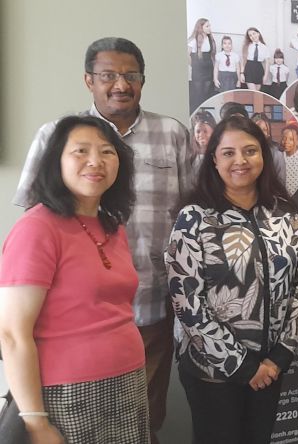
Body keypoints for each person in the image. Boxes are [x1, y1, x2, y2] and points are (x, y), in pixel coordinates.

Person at [12, 37, 194, 444]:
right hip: (71, 330)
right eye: (108, 75)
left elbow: (193, 214)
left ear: (143, 82)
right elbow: (32, 220)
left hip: (152, 308)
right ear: (88, 80)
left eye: (130, 76)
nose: (120, 84)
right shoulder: (57, 136)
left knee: (143, 422)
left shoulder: (173, 135)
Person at [0, 115, 147, 444]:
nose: (95, 161)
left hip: (129, 382)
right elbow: (11, 333)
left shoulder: (112, 225)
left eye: (108, 152)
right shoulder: (37, 228)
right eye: (81, 151)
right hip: (69, 395)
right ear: (56, 161)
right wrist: (36, 422)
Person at [165, 115, 298, 444]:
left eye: (250, 151)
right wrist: (244, 367)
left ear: (263, 155)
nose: (240, 161)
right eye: (228, 153)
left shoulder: (286, 214)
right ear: (213, 159)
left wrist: (279, 357)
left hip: (270, 366)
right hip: (213, 373)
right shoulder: (195, 218)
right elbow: (187, 304)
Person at [188, 18, 217, 110]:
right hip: (198, 71)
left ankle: (204, 111)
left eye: (209, 26)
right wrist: (194, 65)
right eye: (207, 26)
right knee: (198, 92)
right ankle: (197, 111)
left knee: (206, 92)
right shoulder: (194, 40)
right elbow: (186, 55)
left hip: (208, 69)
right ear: (201, 27)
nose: (209, 28)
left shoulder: (209, 38)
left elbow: (211, 55)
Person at [251, 112, 286, 184]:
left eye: (264, 129)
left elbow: (281, 181)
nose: (261, 132)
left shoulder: (276, 152)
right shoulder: (246, 151)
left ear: (268, 133)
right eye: (257, 128)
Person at [241, 27, 269, 91]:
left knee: (257, 94)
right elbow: (243, 61)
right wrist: (242, 73)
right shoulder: (247, 46)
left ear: (258, 34)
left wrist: (265, 76)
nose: (253, 36)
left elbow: (267, 63)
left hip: (259, 70)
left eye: (254, 33)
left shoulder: (265, 47)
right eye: (250, 35)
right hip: (249, 69)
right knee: (253, 92)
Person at [281, 124, 298, 192]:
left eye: (291, 139)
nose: (286, 142)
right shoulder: (279, 157)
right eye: (284, 138)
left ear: (297, 141)